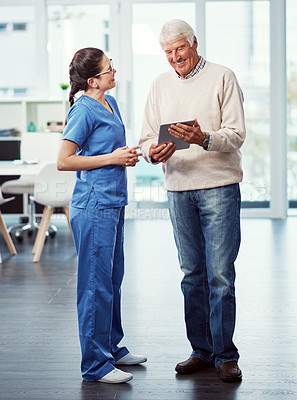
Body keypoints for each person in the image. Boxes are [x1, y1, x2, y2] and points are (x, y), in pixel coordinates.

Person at [139, 20, 245, 382]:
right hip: (178, 188)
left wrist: (204, 139)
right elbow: (144, 139)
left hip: (219, 186)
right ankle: (201, 351)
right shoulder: (159, 84)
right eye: (167, 53)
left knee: (220, 275)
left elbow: (236, 135)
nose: (174, 58)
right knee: (192, 274)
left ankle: (225, 355)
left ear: (194, 44)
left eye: (179, 49)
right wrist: (152, 152)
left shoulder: (222, 77)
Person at [57, 47, 146, 384]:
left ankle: (111, 347)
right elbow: (64, 160)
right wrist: (112, 159)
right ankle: (95, 365)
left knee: (112, 281)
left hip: (114, 202)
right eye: (110, 69)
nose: (115, 72)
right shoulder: (83, 110)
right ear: (93, 80)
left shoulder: (112, 102)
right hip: (93, 206)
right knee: (95, 286)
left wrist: (125, 156)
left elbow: (108, 150)